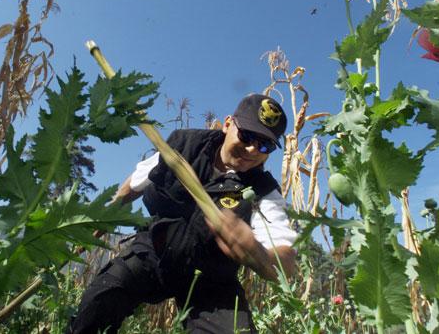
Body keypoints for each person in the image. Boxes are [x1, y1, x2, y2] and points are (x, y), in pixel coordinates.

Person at [68, 93, 298, 334]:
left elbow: (286, 261)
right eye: (247, 136)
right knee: (98, 303)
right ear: (228, 123)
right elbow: (136, 182)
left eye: (265, 145)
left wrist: (256, 252)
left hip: (212, 280)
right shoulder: (184, 145)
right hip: (154, 251)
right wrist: (104, 218)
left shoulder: (263, 191)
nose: (252, 149)